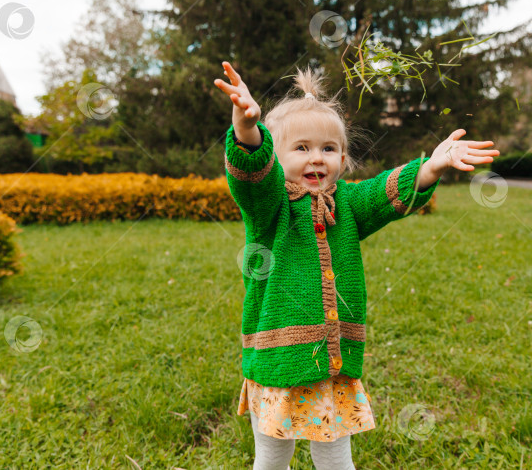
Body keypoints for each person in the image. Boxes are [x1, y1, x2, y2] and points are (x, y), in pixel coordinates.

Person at [213, 61, 499, 470]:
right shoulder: (269, 208)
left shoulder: (345, 204)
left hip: (334, 367)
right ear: (275, 157)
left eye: (328, 149)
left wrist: (431, 166)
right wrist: (246, 130)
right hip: (278, 363)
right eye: (301, 148)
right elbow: (250, 174)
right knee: (272, 461)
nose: (317, 158)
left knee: (336, 460)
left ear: (342, 157)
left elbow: (385, 192)